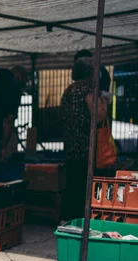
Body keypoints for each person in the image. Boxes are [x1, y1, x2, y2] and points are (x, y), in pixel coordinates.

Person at [61, 54, 107, 220]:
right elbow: (99, 116)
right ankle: (82, 222)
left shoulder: (68, 90)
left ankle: (67, 220)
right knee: (84, 189)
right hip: (86, 149)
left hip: (72, 148)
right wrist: (104, 100)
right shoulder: (86, 90)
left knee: (72, 187)